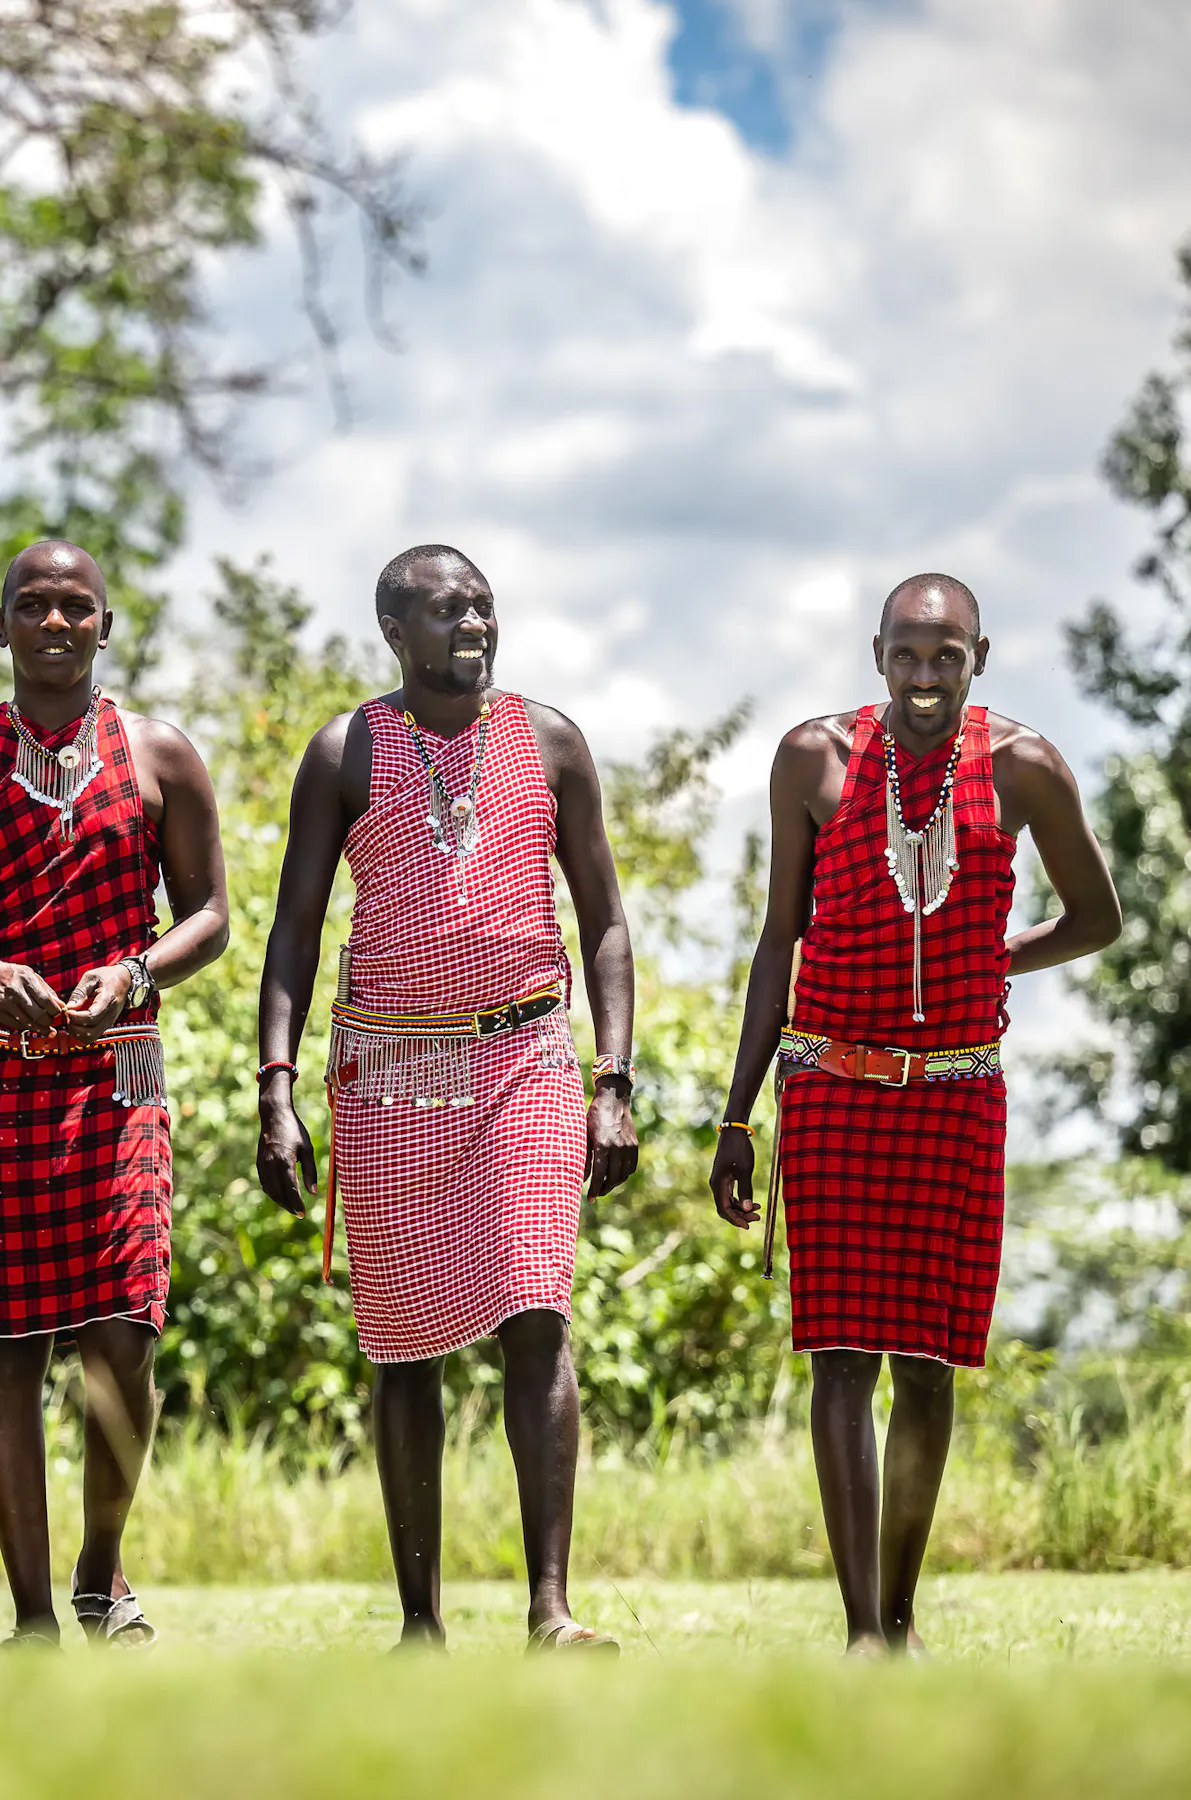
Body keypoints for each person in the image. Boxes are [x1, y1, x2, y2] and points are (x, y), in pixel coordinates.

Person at [708, 573, 1120, 1655]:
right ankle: (859, 1635)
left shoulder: (1023, 766)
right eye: (907, 655)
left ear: (980, 655)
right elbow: (776, 942)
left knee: (929, 1362)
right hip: (833, 1084)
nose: (925, 677)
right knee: (840, 1355)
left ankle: (900, 1617)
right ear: (876, 654)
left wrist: (998, 956)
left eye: (947, 656)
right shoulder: (813, 759)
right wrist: (736, 1116)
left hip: (956, 1093)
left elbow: (1097, 917)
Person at [256, 544, 638, 1652]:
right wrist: (276, 1090)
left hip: (526, 1060)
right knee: (405, 1346)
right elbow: (294, 930)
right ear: (393, 629)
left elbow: (604, 918)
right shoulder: (346, 751)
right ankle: (421, 1624)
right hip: (388, 1072)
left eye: (482, 606)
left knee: (535, 1311)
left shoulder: (551, 741)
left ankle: (551, 1611)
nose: (472, 624)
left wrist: (614, 1078)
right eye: (445, 609)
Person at [0, 540, 231, 1647]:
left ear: (106, 625)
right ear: (0, 627)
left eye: (76, 606)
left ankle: (100, 1570)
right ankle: (33, 1615)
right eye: (32, 606)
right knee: (6, 1350)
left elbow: (211, 914)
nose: (54, 623)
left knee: (124, 1337)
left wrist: (135, 970)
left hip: (116, 1077)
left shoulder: (161, 754)